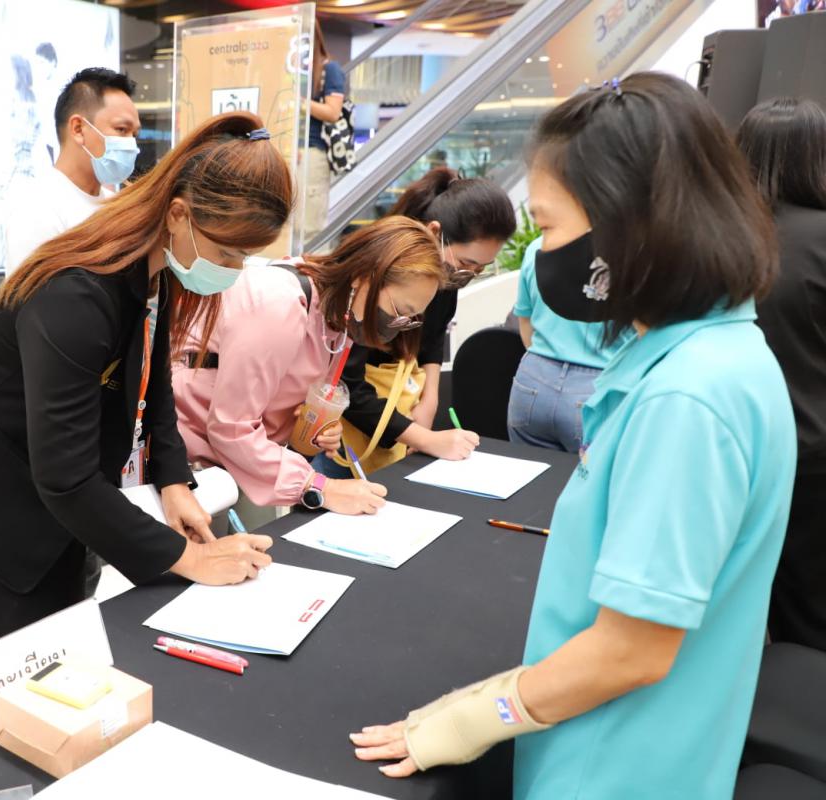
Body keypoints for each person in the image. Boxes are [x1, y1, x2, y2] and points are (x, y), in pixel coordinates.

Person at [351, 73, 795, 799]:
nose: (544, 251)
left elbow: (631, 651)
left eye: (551, 227)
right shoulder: (707, 356)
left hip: (612, 767)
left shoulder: (688, 397)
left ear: (623, 225)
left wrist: (477, 717)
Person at [0, 112, 291, 660]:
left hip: (49, 481)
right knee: (3, 664)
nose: (235, 270)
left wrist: (173, 480)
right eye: (229, 254)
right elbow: (65, 478)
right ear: (178, 214)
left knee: (61, 636)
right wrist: (188, 557)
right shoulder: (77, 294)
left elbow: (153, 380)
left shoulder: (154, 267)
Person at [173, 216, 442, 514]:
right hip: (186, 459)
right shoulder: (279, 303)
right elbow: (231, 426)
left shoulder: (339, 319)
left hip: (236, 463)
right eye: (398, 310)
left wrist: (309, 429)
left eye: (407, 320)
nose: (395, 325)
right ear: (364, 275)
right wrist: (319, 487)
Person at [317, 169, 515, 479]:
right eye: (466, 264)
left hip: (395, 410)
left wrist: (430, 397)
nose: (468, 275)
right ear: (434, 231)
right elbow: (348, 384)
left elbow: (433, 336)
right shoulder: (374, 279)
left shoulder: (447, 274)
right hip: (347, 425)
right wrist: (425, 438)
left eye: (481, 269)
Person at [737, 97, 826, 651]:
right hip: (816, 461)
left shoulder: (719, 241)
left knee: (743, 609)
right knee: (812, 622)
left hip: (737, 455)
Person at [5, 68, 141, 274]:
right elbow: (32, 293)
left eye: (134, 134)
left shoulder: (114, 206)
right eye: (121, 129)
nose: (131, 144)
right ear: (78, 129)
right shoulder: (38, 209)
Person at [508, 233, 627, 452]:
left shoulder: (540, 246)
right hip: (597, 386)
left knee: (533, 471)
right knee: (594, 473)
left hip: (532, 381)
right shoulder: (628, 253)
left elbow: (525, 319)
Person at [304, 22, 346, 244]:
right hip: (289, 151)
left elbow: (333, 112)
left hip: (313, 151)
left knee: (310, 225)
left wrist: (300, 103)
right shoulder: (292, 69)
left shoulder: (330, 69)